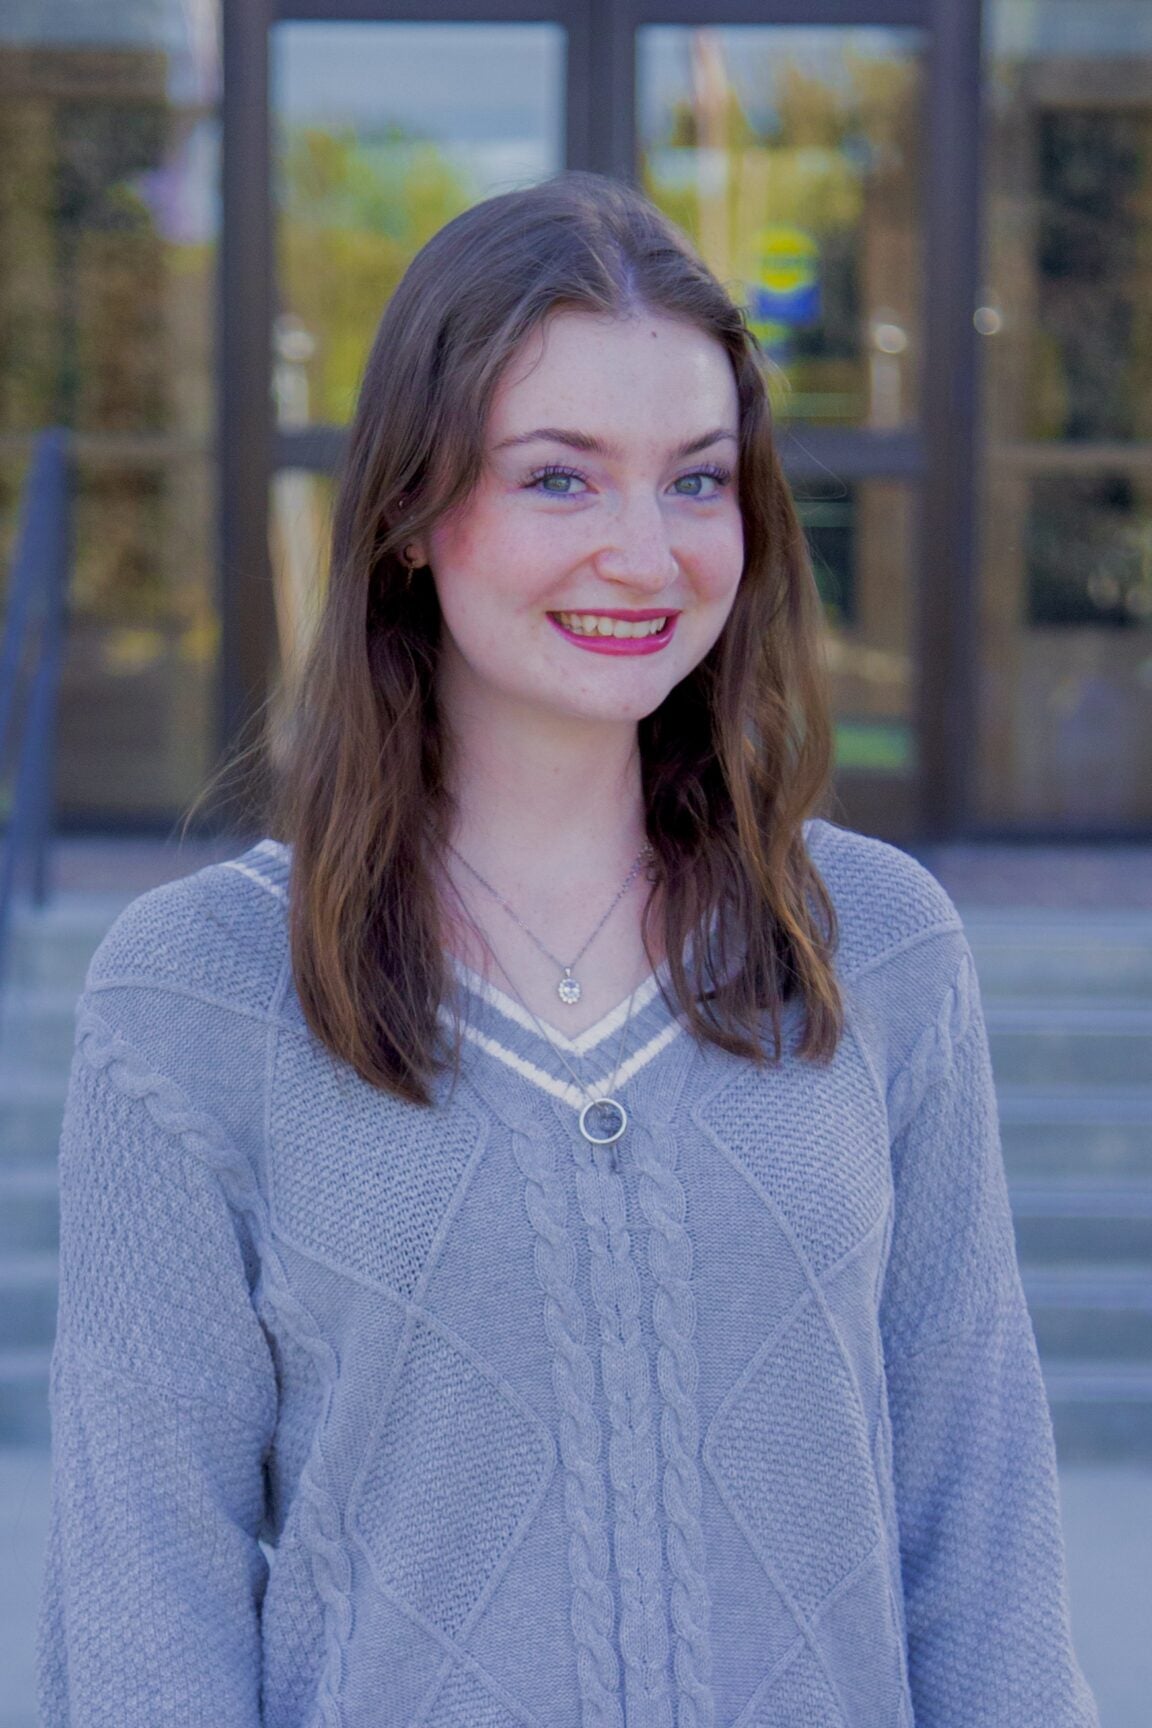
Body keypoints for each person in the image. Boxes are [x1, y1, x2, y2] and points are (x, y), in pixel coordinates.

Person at [35, 171, 1099, 1726]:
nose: (646, 552)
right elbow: (145, 1608)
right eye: (557, 478)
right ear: (410, 509)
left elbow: (983, 1528)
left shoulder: (876, 948)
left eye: (695, 480)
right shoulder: (197, 992)